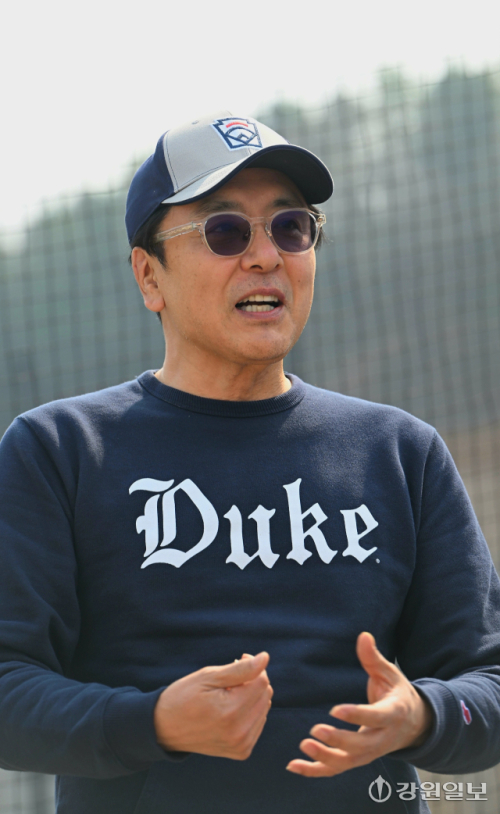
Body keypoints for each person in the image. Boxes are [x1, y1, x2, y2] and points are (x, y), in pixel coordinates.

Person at [0, 110, 499, 814]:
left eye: (291, 227)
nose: (266, 256)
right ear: (149, 276)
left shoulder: (400, 452)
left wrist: (423, 715)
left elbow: (488, 681)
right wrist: (153, 723)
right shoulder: (60, 451)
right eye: (226, 231)